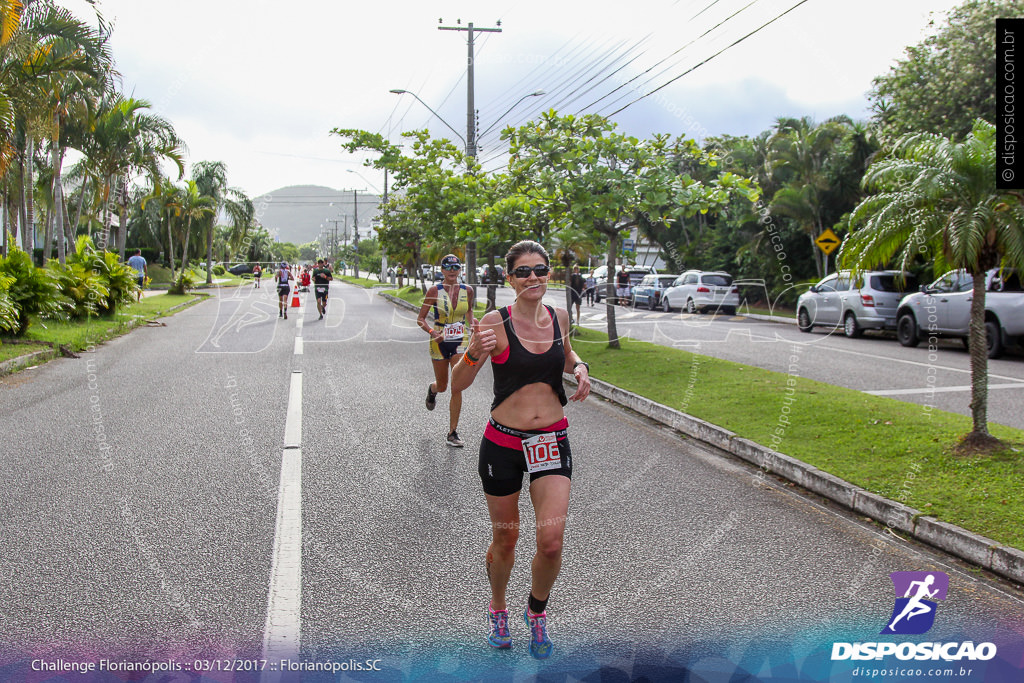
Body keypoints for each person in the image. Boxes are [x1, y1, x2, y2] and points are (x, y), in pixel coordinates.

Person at [451, 240, 591, 659]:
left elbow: (566, 355)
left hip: (551, 440)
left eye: (541, 270)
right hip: (503, 444)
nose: (534, 277)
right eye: (524, 271)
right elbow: (457, 385)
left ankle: (536, 611)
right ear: (510, 279)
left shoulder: (560, 316)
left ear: (550, 274)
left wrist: (580, 366)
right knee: (506, 539)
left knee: (551, 542)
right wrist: (473, 354)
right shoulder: (495, 322)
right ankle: (497, 607)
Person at [417, 254, 476, 448]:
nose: (452, 271)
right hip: (439, 341)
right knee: (443, 386)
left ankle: (452, 432)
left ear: (460, 270)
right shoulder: (435, 290)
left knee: (457, 385)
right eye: (448, 267)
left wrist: (472, 326)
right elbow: (421, 319)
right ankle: (432, 390)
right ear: (442, 271)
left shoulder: (468, 290)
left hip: (459, 340)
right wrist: (433, 332)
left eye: (455, 267)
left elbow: (469, 313)